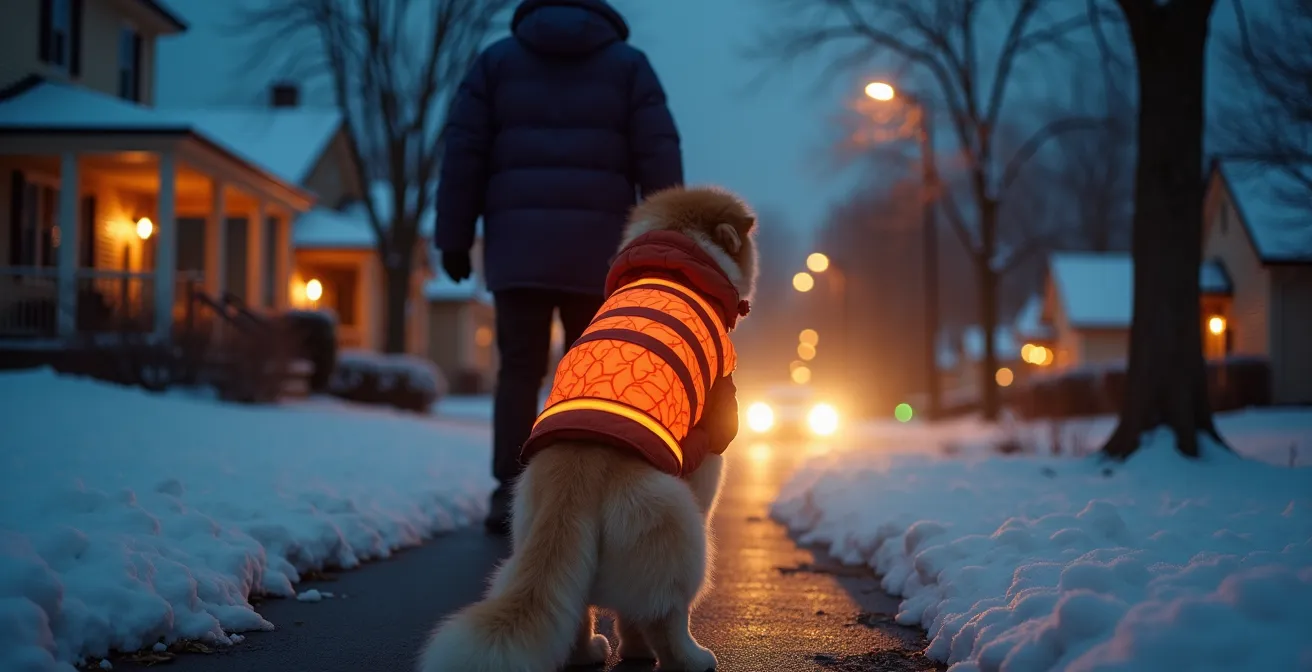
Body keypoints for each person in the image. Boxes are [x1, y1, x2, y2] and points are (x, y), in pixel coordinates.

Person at [434, 0, 683, 535]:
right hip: (600, 255)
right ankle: (580, 496)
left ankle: (509, 492)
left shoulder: (497, 63)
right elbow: (659, 158)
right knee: (593, 377)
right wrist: (665, 245)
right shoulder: (629, 66)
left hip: (517, 250)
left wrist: (454, 237)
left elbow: (464, 152)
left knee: (519, 371)